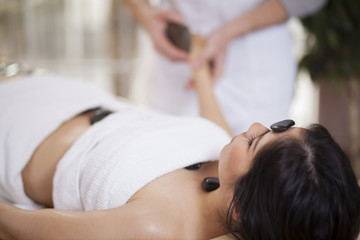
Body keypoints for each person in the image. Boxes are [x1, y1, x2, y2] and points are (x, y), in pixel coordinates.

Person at [0, 40, 360, 239]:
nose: (252, 125)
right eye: (277, 126)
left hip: (17, 136)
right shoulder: (227, 164)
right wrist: (199, 66)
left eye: (256, 141)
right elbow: (213, 126)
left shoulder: (157, 227)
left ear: (240, 208)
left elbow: (30, 227)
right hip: (62, 96)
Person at [124, 0, 327, 135]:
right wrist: (145, 14)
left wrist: (227, 33)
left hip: (256, 57)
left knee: (249, 179)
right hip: (174, 48)